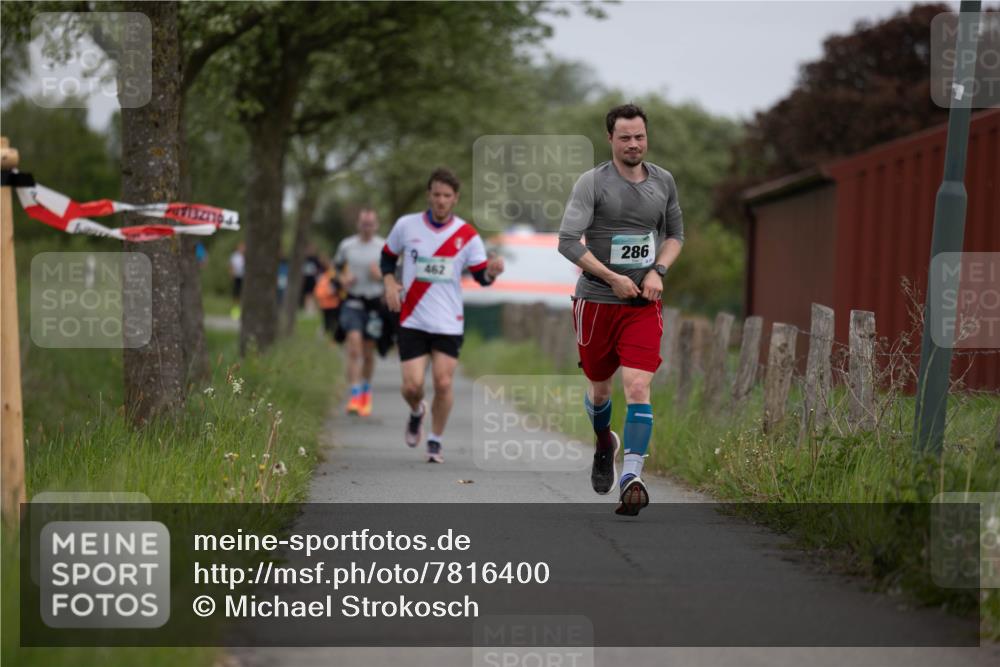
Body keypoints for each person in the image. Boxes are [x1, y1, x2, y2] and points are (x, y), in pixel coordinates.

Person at [558, 104, 684, 516]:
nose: (634, 144)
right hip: (596, 301)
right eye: (625, 137)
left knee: (636, 386)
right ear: (610, 139)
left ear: (647, 137)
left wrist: (658, 271)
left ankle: (632, 476)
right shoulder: (592, 183)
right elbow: (568, 242)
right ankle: (603, 443)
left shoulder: (663, 181)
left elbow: (675, 235)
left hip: (642, 306)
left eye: (640, 137)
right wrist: (611, 277)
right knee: (599, 388)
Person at [380, 168, 504, 462]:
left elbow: (481, 277)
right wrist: (389, 281)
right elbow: (387, 256)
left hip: (448, 321)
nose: (440, 201)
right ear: (428, 195)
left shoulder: (467, 235)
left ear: (455, 199)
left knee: (444, 383)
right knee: (411, 386)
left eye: (446, 196)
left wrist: (492, 271)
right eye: (436, 194)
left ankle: (435, 439)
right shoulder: (406, 226)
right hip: (412, 317)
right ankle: (416, 410)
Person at [334, 209, 386, 417]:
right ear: (358, 224)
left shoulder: (383, 247)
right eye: (364, 224)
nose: (367, 228)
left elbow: (394, 274)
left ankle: (366, 391)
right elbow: (336, 268)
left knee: (368, 352)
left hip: (374, 303)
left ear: (377, 225)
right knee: (353, 344)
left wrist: (380, 275)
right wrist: (343, 279)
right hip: (353, 300)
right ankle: (354, 395)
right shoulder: (347, 245)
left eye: (371, 224)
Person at [228, 241, 246, 321]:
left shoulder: (245, 256)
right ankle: (235, 313)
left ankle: (243, 313)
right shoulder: (235, 256)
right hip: (237, 277)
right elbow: (231, 266)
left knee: (243, 295)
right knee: (236, 296)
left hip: (244, 278)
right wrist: (231, 275)